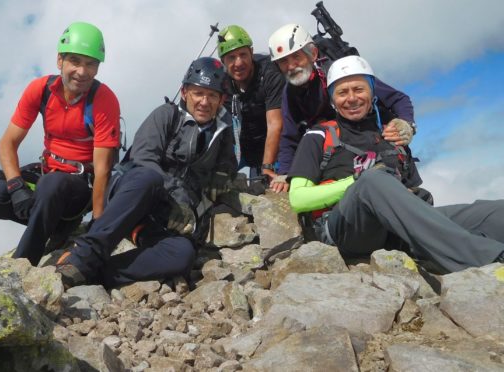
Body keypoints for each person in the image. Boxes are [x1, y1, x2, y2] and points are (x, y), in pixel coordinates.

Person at [287, 55, 504, 273]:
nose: (352, 98)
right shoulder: (319, 136)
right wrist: (355, 182)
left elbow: (412, 194)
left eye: (359, 89)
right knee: (372, 180)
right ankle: (488, 258)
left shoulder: (391, 136)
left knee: (493, 213)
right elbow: (298, 199)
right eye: (342, 92)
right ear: (333, 99)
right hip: (348, 230)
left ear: (372, 92)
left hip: (398, 229)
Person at [53, 57, 238, 288]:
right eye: (198, 93)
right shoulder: (166, 115)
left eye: (212, 95)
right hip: (130, 196)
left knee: (182, 253)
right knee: (147, 177)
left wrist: (223, 174)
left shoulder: (223, 130)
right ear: (184, 92)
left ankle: (98, 275)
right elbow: (143, 158)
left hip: (159, 218)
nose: (204, 101)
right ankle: (83, 256)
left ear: (221, 100)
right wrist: (176, 201)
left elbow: (229, 162)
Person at [0, 22, 120, 266]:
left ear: (97, 68)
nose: (82, 71)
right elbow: (7, 143)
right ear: (59, 61)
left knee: (51, 185)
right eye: (75, 61)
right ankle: (58, 225)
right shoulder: (41, 90)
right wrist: (16, 186)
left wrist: (97, 223)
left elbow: (103, 169)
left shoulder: (103, 99)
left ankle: (23, 265)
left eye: (90, 64)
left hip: (78, 188)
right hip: (47, 176)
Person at [268, 23, 416, 191]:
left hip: (372, 139)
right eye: (283, 61)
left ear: (313, 53)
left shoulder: (341, 74)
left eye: (296, 57)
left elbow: (398, 99)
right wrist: (285, 173)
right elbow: (290, 135)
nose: (291, 66)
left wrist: (406, 124)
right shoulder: (290, 92)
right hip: (339, 151)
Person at [216, 25, 286, 192]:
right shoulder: (221, 83)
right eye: (231, 57)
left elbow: (275, 124)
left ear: (252, 52)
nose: (238, 63)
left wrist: (267, 166)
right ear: (223, 61)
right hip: (241, 146)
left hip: (273, 146)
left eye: (243, 55)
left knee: (265, 187)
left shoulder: (270, 73)